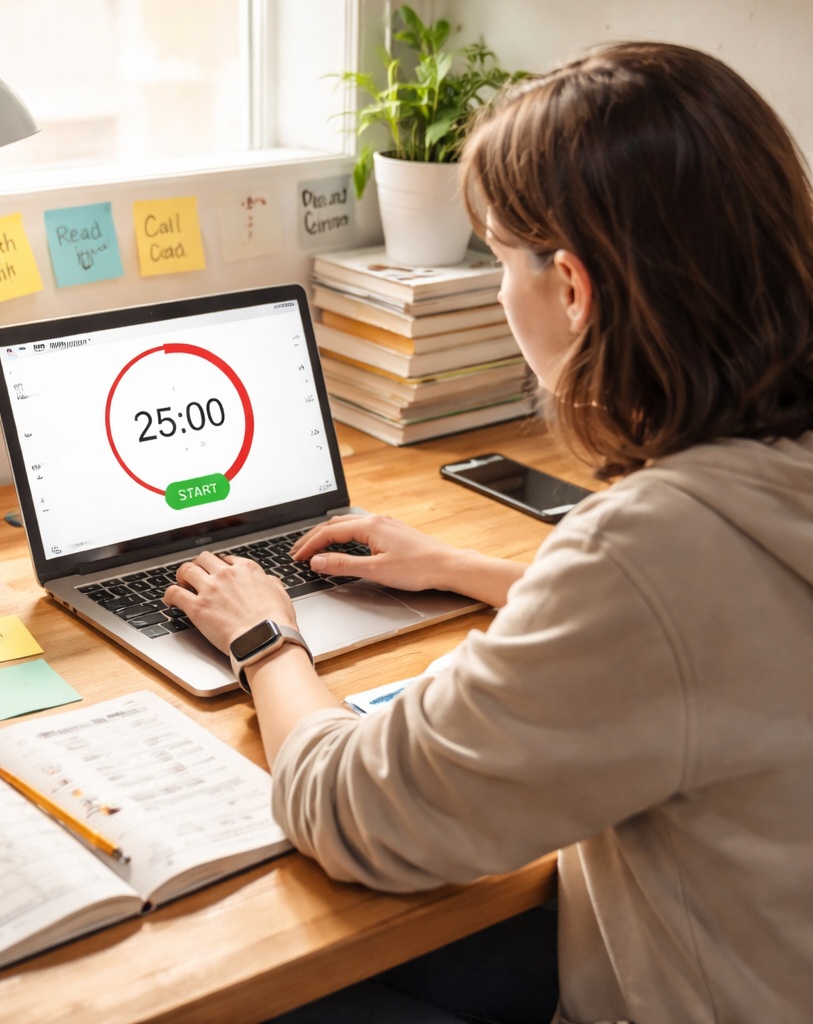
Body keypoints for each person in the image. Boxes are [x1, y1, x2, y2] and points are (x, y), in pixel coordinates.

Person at [163, 42, 813, 1024]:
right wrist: (463, 567)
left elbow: (351, 810)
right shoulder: (747, 496)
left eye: (500, 258)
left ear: (572, 289)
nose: (500, 289)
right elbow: (723, 622)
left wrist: (265, 637)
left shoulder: (652, 552)